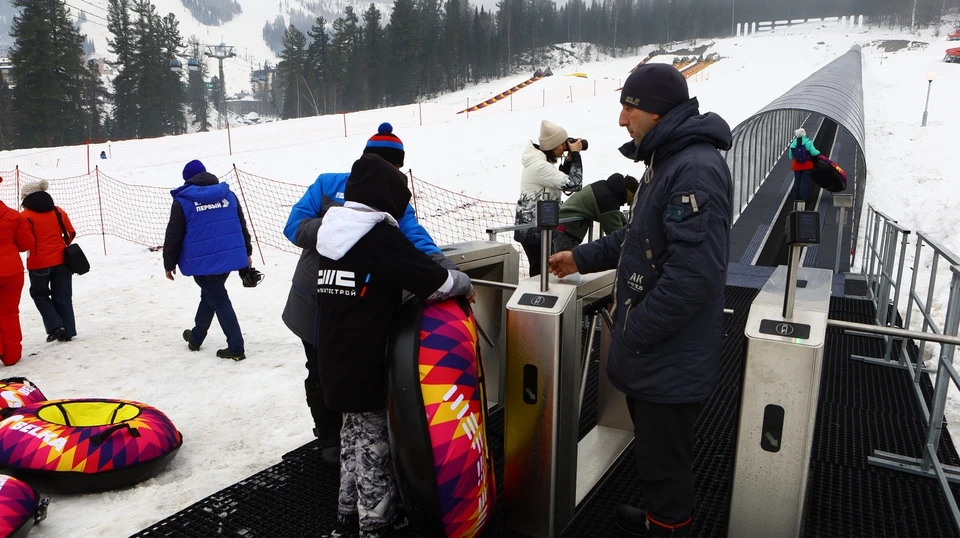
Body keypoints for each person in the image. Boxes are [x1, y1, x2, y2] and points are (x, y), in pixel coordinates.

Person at [548, 63, 733, 537]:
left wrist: (634, 329)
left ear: (656, 111)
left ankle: (668, 522)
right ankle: (658, 515)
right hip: (657, 352)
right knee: (653, 455)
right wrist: (580, 258)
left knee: (666, 462)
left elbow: (693, 279)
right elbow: (638, 237)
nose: (622, 119)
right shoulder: (666, 161)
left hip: (669, 354)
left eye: (629, 107)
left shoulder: (693, 168)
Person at [316, 153, 474, 538]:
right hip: (367, 362)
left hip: (334, 359)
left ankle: (348, 513)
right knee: (374, 444)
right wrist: (463, 283)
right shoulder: (376, 236)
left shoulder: (333, 231)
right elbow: (434, 281)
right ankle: (377, 525)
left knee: (351, 435)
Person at [281, 122, 456, 466]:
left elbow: (414, 236)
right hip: (314, 298)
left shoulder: (393, 198)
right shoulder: (328, 184)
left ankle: (357, 444)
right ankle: (329, 433)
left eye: (395, 168)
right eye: (387, 165)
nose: (391, 173)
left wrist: (443, 268)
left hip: (355, 301)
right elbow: (294, 226)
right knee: (319, 369)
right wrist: (342, 229)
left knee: (354, 373)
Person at [164, 159, 253, 361]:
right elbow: (241, 225)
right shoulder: (228, 195)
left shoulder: (183, 200)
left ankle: (236, 347)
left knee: (218, 299)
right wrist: (246, 252)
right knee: (210, 296)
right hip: (229, 259)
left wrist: (169, 263)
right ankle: (196, 338)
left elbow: (173, 235)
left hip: (201, 263)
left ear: (187, 180)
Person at [514, 120, 583, 276]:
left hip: (537, 228)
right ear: (553, 145)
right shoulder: (540, 166)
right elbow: (574, 183)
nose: (564, 150)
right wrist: (576, 154)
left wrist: (569, 159)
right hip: (536, 231)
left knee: (542, 272)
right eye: (562, 146)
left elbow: (561, 179)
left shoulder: (540, 163)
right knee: (541, 274)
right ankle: (537, 298)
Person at [19, 180, 78, 343]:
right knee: (63, 296)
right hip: (62, 260)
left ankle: (56, 326)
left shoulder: (24, 217)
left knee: (39, 295)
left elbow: (24, 243)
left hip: (38, 263)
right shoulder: (58, 211)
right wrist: (61, 245)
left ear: (25, 198)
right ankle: (68, 331)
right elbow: (71, 233)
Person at [553, 173, 639, 252]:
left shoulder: (605, 188)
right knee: (562, 265)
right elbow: (616, 235)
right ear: (629, 194)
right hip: (566, 229)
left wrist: (626, 226)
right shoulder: (607, 201)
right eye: (633, 199)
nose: (630, 203)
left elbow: (617, 214)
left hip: (564, 226)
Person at [0, 178, 31, 365]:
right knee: (10, 312)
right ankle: (12, 354)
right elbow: (25, 244)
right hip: (11, 271)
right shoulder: (13, 215)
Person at [789, 127, 821, 201]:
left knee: (797, 181)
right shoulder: (808, 142)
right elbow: (814, 153)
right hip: (807, 165)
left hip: (796, 166)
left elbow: (790, 156)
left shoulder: (793, 144)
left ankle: (796, 197)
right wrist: (818, 152)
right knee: (805, 182)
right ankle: (804, 198)